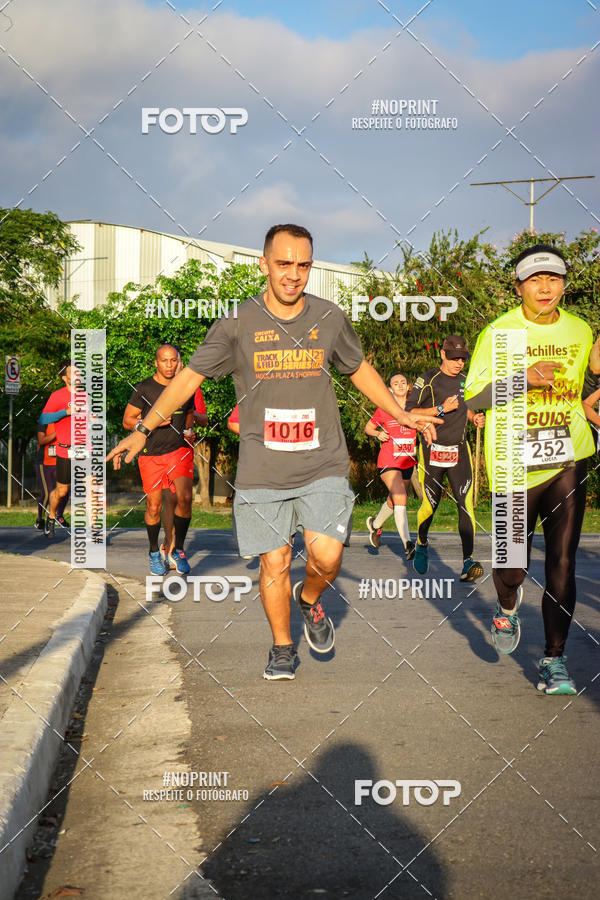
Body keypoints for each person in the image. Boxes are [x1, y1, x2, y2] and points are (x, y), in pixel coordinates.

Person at [107, 224, 441, 681]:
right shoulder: (238, 323)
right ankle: (282, 647)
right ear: (263, 264)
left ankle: (309, 601)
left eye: (303, 265)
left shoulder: (329, 317)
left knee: (326, 557)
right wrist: (144, 428)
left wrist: (400, 415)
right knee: (275, 561)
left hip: (322, 460)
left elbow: (359, 370)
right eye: (283, 264)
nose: (293, 274)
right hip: (263, 469)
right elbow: (188, 378)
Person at [465, 244, 597, 694]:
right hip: (512, 462)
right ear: (518, 285)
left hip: (567, 453)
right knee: (513, 568)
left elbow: (589, 376)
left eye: (554, 278)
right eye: (535, 279)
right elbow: (473, 399)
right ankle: (506, 605)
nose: (545, 287)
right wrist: (523, 380)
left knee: (562, 561)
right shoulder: (500, 333)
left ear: (564, 284)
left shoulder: (580, 331)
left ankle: (553, 662)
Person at [406, 336, 485, 581]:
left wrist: (473, 418)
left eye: (463, 359)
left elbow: (464, 406)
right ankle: (421, 542)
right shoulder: (428, 380)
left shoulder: (466, 380)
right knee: (430, 505)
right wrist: (441, 409)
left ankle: (467, 562)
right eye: (454, 358)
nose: (459, 363)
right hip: (432, 449)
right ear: (442, 354)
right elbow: (408, 412)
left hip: (460, 450)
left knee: (466, 505)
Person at [118, 344, 195, 576]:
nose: (169, 365)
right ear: (156, 363)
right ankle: (153, 552)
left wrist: (189, 429)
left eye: (173, 360)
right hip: (151, 454)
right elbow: (127, 421)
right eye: (164, 361)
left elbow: (189, 412)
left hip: (178, 451)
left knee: (185, 498)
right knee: (154, 506)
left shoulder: (184, 387)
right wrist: (151, 423)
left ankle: (178, 550)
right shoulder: (144, 388)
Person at [365, 372, 417, 559]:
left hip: (407, 461)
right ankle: (408, 544)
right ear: (389, 389)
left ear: (408, 386)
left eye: (404, 382)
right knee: (400, 496)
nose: (401, 385)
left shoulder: (415, 408)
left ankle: (375, 525)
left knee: (393, 500)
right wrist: (378, 434)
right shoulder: (384, 409)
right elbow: (368, 428)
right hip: (388, 461)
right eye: (396, 383)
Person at [39, 361, 86, 539]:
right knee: (62, 491)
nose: (78, 376)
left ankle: (93, 530)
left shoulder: (86, 396)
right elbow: (44, 418)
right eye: (74, 373)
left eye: (79, 373)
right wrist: (66, 412)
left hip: (83, 450)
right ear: (64, 378)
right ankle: (51, 518)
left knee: (92, 486)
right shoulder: (57, 396)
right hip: (65, 450)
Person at [34, 420, 69, 530]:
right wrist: (57, 433)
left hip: (62, 461)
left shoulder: (66, 421)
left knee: (65, 491)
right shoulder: (44, 421)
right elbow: (42, 440)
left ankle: (59, 516)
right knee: (47, 493)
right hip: (44, 463)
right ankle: (40, 520)